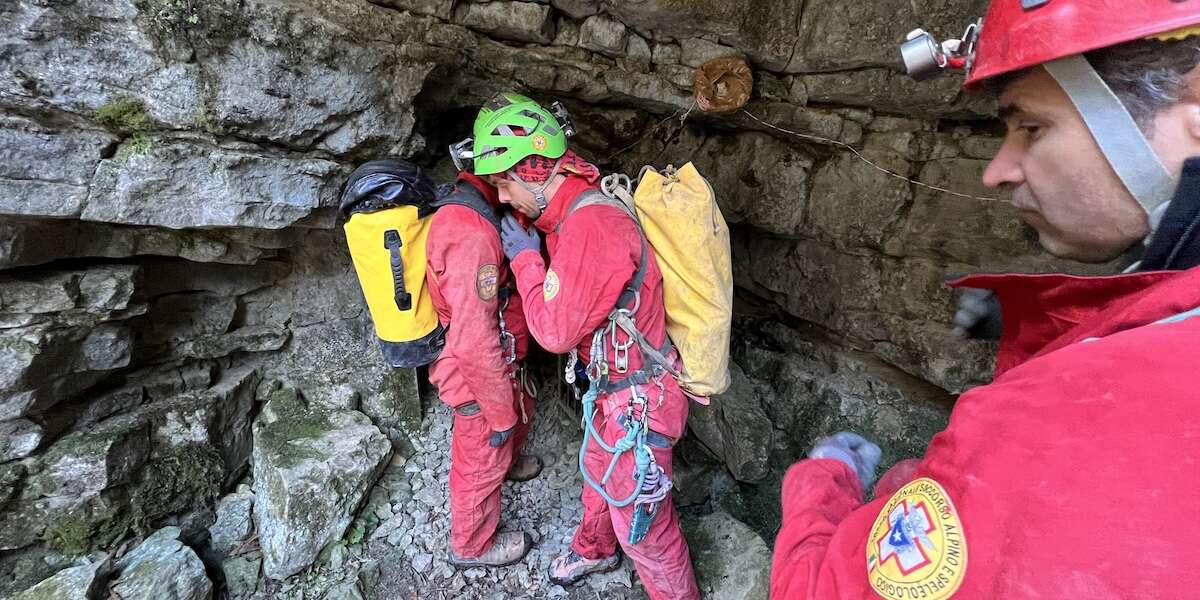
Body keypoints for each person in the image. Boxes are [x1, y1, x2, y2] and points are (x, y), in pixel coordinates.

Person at [772, 3, 1200, 599]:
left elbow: (815, 591)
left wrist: (823, 479)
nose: (994, 172)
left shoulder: (1059, 425)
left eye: (1030, 127)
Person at [461, 91, 701, 599]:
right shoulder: (573, 212)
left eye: (504, 183)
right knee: (598, 471)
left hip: (639, 405)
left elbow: (553, 331)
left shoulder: (591, 226)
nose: (502, 198)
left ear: (532, 169)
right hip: (614, 394)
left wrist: (527, 261)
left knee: (647, 529)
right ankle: (596, 549)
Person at [425, 169, 542, 568]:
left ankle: (507, 462)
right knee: (481, 451)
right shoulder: (471, 237)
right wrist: (500, 414)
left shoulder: (478, 204)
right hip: (475, 371)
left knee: (516, 411)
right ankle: (472, 546)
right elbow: (473, 341)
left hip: (502, 356)